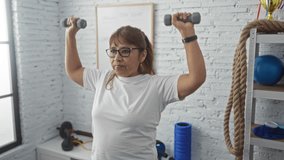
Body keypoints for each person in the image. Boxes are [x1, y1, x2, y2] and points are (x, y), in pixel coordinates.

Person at [65, 12, 206, 160]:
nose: (117, 58)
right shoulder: (103, 79)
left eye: (125, 51)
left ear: (142, 55)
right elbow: (73, 70)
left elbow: (196, 78)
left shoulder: (156, 86)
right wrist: (70, 35)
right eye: (113, 51)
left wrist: (187, 33)